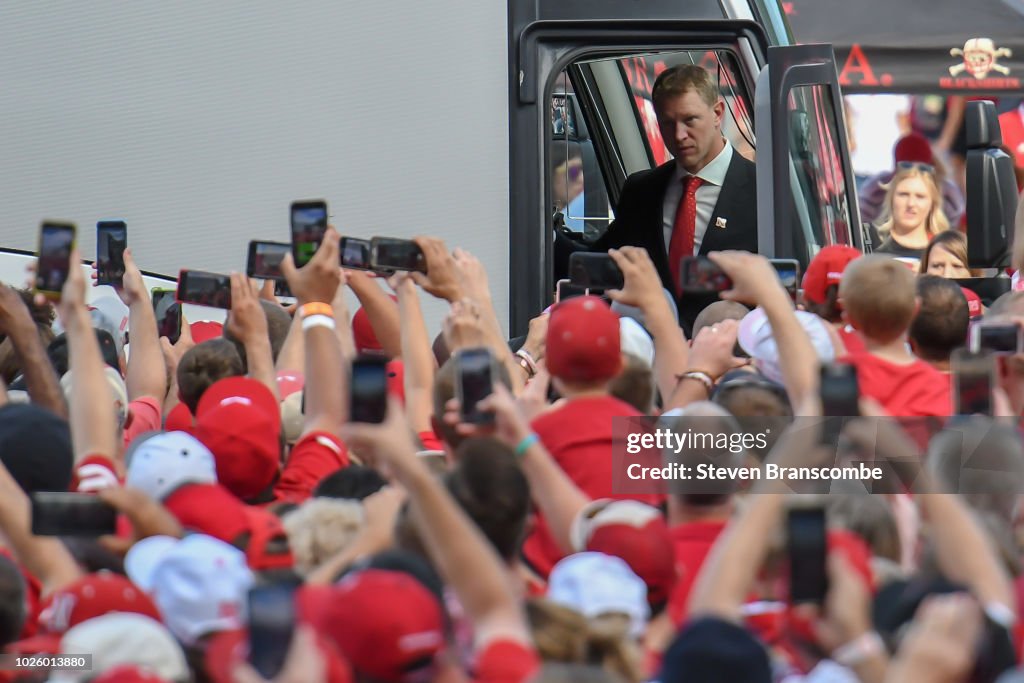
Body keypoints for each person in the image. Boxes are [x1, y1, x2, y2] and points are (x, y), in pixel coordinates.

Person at [590, 64, 757, 331]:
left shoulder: (762, 191)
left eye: (690, 120)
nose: (679, 135)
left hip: (729, 361)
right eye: (668, 123)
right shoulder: (642, 191)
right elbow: (598, 263)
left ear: (717, 114)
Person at [872, 165, 950, 268]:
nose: (911, 204)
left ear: (933, 204)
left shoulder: (945, 248)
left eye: (920, 197)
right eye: (903, 194)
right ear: (891, 199)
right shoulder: (867, 238)